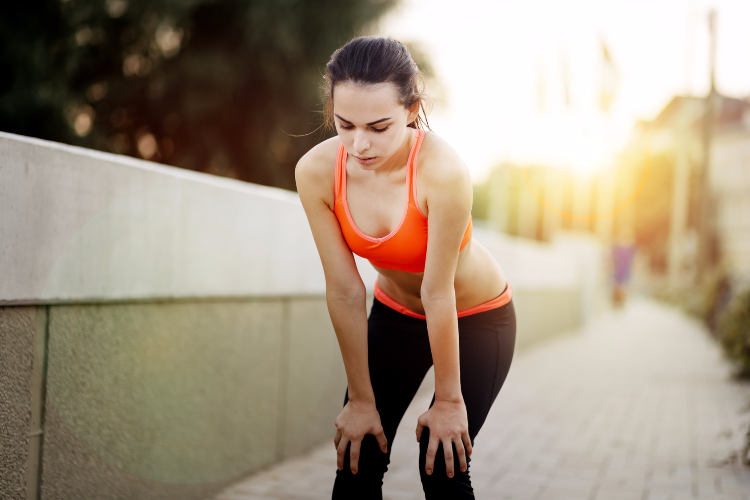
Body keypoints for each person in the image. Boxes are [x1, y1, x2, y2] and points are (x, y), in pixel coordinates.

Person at [295, 36, 516, 499]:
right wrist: (359, 399)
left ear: (412, 110)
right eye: (345, 125)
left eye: (378, 127)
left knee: (441, 462)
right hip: (395, 314)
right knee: (358, 456)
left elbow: (439, 293)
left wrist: (450, 401)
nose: (359, 144)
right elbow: (345, 291)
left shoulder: (442, 172)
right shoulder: (316, 171)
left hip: (474, 318)